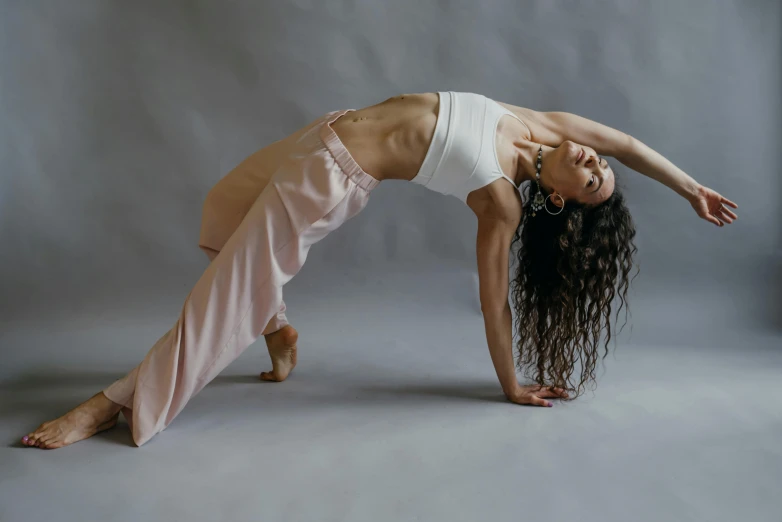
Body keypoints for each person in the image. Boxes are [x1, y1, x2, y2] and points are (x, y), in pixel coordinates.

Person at [21, 91, 738, 449]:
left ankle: (115, 403)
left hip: (331, 175)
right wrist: (689, 187)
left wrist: (512, 383)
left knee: (227, 290)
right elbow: (628, 141)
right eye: (596, 164)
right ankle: (277, 329)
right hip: (321, 133)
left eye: (591, 182)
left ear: (557, 198)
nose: (592, 161)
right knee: (221, 211)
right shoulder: (541, 125)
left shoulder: (500, 204)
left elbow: (493, 305)